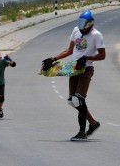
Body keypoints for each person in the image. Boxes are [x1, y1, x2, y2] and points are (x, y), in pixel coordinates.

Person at [42, 10, 105, 141]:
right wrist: (53, 59)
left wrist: (87, 57)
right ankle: (93, 123)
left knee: (78, 99)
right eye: (80, 23)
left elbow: (102, 55)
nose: (82, 26)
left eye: (84, 24)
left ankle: (82, 132)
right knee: (72, 101)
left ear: (90, 24)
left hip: (86, 69)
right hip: (74, 69)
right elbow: (69, 50)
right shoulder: (76, 30)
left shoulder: (96, 35)